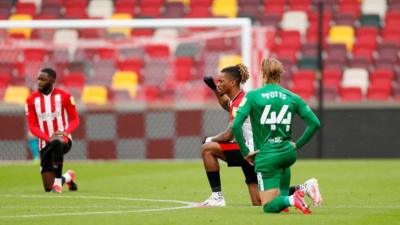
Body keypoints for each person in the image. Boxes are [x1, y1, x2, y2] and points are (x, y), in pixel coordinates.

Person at [199, 64, 322, 208]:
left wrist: (210, 139)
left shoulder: (242, 101)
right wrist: (214, 89)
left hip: (251, 151)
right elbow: (227, 104)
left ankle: (217, 197)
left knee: (207, 149)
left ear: (232, 82)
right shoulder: (240, 98)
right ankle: (304, 188)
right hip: (260, 149)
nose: (218, 83)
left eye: (221, 81)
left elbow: (229, 134)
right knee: (259, 201)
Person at [231, 58, 321, 214]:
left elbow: (236, 125)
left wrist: (245, 152)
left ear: (263, 74)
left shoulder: (253, 96)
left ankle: (294, 199)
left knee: (268, 206)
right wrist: (297, 145)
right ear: (280, 75)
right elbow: (315, 124)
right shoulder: (292, 97)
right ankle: (292, 198)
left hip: (266, 156)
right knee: (282, 205)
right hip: (287, 153)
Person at [25, 68, 80, 193]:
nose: (39, 82)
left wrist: (66, 133)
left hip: (63, 140)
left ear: (53, 80)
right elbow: (32, 126)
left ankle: (58, 184)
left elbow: (75, 120)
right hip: (44, 143)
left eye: (43, 79)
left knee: (56, 142)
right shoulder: (31, 100)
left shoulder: (65, 96)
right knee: (48, 189)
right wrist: (47, 138)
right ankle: (68, 177)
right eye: (38, 79)